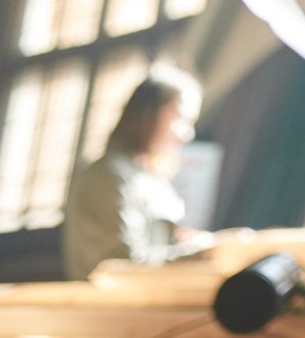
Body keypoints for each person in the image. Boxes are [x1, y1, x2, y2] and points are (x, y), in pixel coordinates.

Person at [64, 68, 205, 278]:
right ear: (148, 115)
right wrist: (208, 254)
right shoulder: (109, 176)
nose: (187, 135)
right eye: (181, 119)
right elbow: (121, 266)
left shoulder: (156, 181)